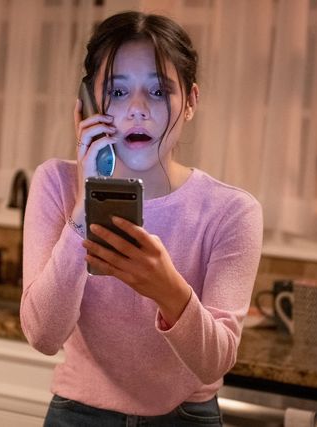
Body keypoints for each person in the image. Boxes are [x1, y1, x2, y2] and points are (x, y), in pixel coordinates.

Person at [20, 11, 263, 426]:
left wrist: (168, 289)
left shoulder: (232, 212)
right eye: (117, 91)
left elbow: (215, 363)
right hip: (79, 415)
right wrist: (84, 205)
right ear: (89, 103)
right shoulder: (56, 184)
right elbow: (43, 336)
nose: (137, 109)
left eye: (158, 91)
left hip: (186, 418)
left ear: (191, 102)